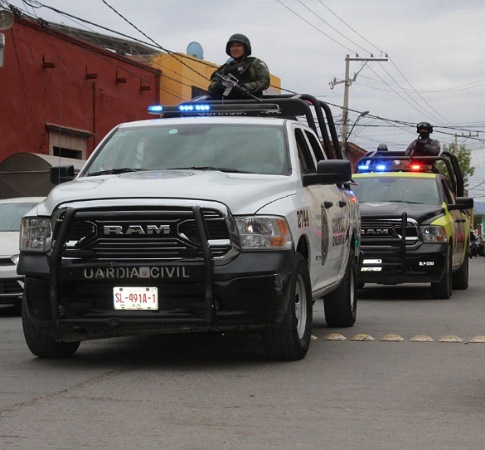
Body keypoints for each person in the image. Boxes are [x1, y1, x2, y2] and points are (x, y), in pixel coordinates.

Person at [208, 33, 270, 100]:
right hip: (228, 104)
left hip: (251, 103)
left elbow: (264, 82)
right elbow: (212, 86)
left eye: (239, 45)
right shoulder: (224, 68)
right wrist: (218, 86)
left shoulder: (255, 63)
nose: (235, 49)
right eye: (232, 46)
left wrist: (245, 87)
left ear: (245, 48)